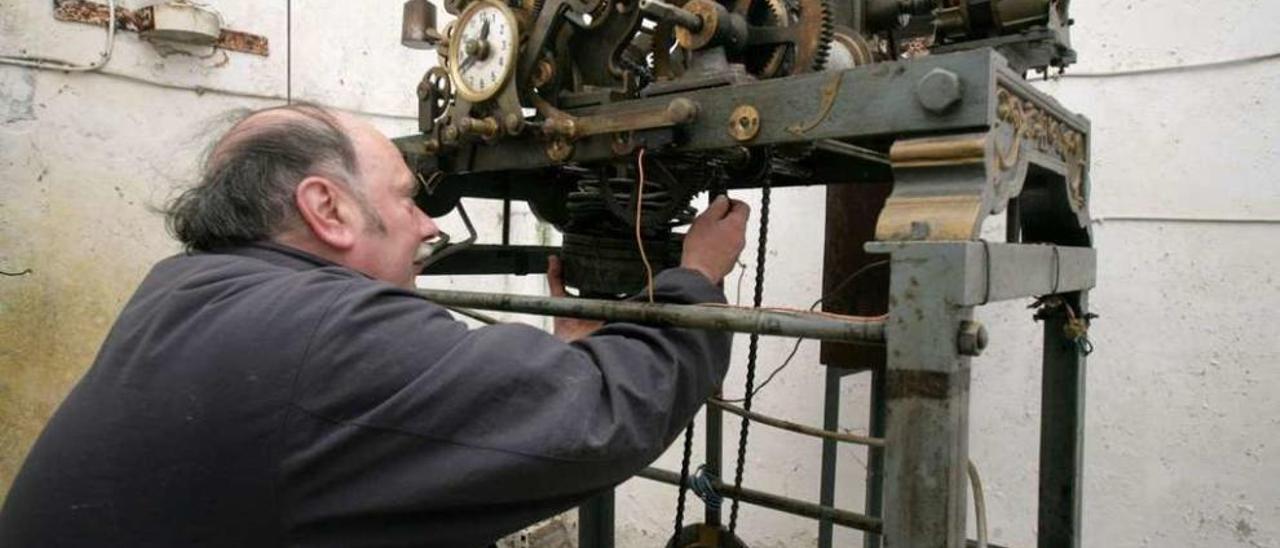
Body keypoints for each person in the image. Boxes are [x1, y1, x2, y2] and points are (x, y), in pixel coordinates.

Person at [0, 104, 750, 547]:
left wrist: (559, 366)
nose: (426, 223)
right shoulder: (319, 333)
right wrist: (698, 279)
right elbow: (599, 417)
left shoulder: (188, 291)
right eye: (405, 196)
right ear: (327, 209)